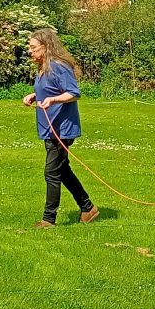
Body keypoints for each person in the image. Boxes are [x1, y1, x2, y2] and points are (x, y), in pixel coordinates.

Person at [23, 28, 99, 229]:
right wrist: (34, 95)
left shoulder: (59, 66)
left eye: (33, 47)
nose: (29, 51)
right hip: (49, 128)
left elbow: (73, 93)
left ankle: (48, 220)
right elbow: (49, 89)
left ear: (46, 47)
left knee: (51, 172)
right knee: (62, 170)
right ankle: (88, 208)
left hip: (62, 129)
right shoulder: (43, 67)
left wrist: (53, 99)